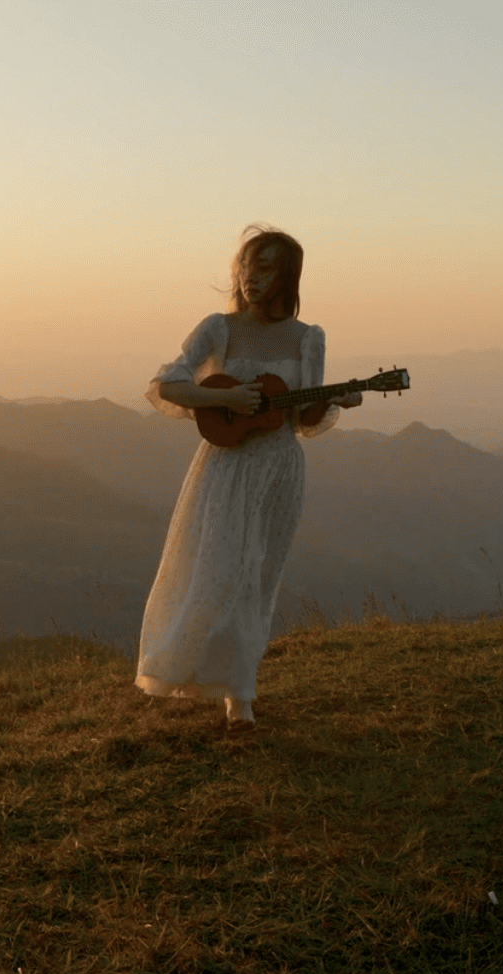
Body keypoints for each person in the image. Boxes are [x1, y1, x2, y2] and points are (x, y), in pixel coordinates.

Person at [135, 225, 362, 728]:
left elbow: (304, 419)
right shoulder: (218, 329)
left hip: (280, 467)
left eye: (266, 267)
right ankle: (192, 668)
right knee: (219, 573)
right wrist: (225, 398)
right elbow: (166, 385)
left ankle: (241, 694)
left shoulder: (309, 338)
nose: (250, 276)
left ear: (288, 276)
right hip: (227, 467)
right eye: (246, 264)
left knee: (259, 577)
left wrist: (333, 398)